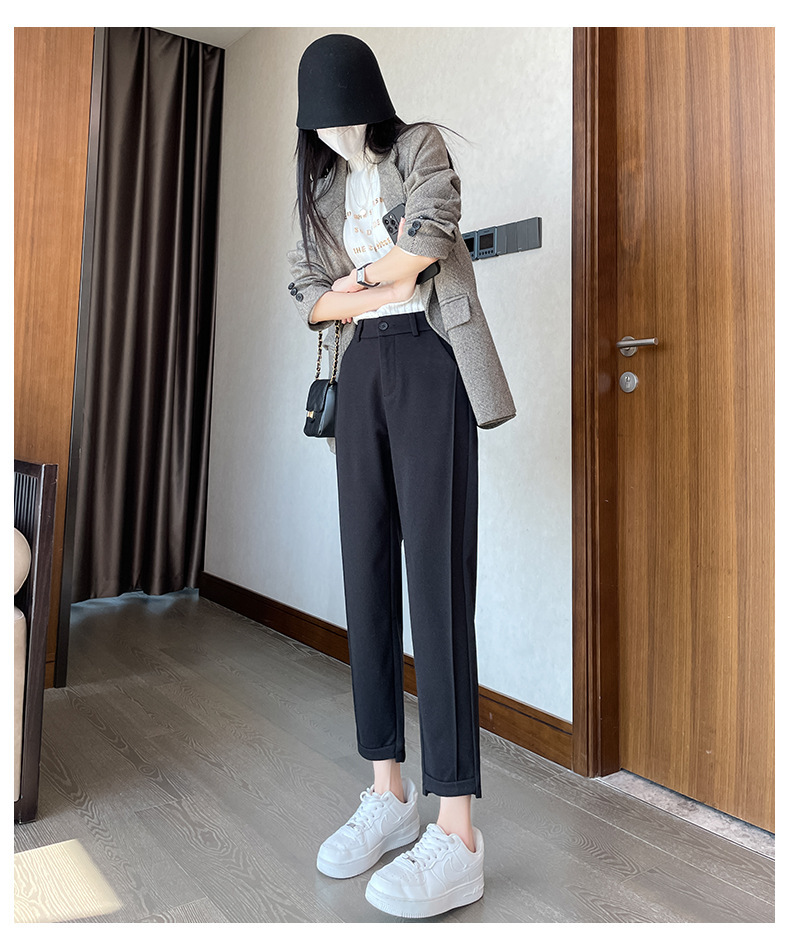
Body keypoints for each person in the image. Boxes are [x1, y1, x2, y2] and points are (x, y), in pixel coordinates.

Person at [287, 34, 516, 919]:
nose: (329, 123)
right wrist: (368, 285)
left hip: (430, 358)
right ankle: (387, 790)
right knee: (367, 575)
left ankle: (457, 831)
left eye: (337, 102)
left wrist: (360, 281)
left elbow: (429, 236)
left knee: (438, 584)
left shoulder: (418, 145)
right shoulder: (320, 189)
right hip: (361, 372)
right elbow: (306, 296)